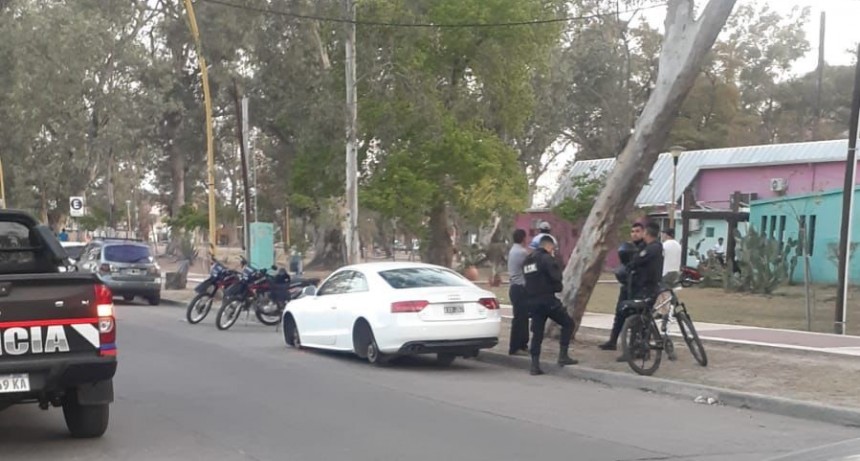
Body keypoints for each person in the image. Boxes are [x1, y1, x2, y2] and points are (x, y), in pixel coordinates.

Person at [522, 235, 577, 375]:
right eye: (553, 248)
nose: (554, 251)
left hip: (532, 302)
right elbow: (557, 278)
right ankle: (563, 356)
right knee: (568, 323)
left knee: (537, 333)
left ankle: (534, 365)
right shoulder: (547, 259)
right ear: (549, 246)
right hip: (548, 300)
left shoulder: (528, 261)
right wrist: (557, 286)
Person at [599, 222, 646, 351]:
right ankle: (612, 340)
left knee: (637, 318)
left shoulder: (645, 248)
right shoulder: (628, 247)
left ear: (643, 232)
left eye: (637, 231)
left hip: (639, 288)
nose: (634, 234)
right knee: (620, 313)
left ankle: (635, 346)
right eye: (633, 231)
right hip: (627, 286)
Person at [507, 229, 530, 355]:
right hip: (520, 287)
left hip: (514, 287)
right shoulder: (521, 252)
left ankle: (522, 343)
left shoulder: (512, 250)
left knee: (522, 317)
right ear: (523, 238)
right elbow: (530, 266)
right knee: (520, 318)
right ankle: (515, 346)